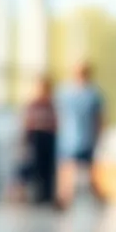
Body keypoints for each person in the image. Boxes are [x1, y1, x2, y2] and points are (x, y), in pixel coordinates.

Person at [56, 61, 105, 207]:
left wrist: (99, 137)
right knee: (67, 173)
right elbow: (59, 116)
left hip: (86, 139)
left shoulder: (93, 94)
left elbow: (99, 119)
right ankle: (65, 201)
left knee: (90, 175)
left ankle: (100, 200)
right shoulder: (65, 92)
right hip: (68, 139)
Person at [16, 76, 58, 205]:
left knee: (48, 168)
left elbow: (56, 121)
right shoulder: (32, 104)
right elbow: (26, 122)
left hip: (49, 137)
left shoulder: (51, 104)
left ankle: (47, 195)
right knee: (33, 166)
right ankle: (31, 195)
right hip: (35, 137)